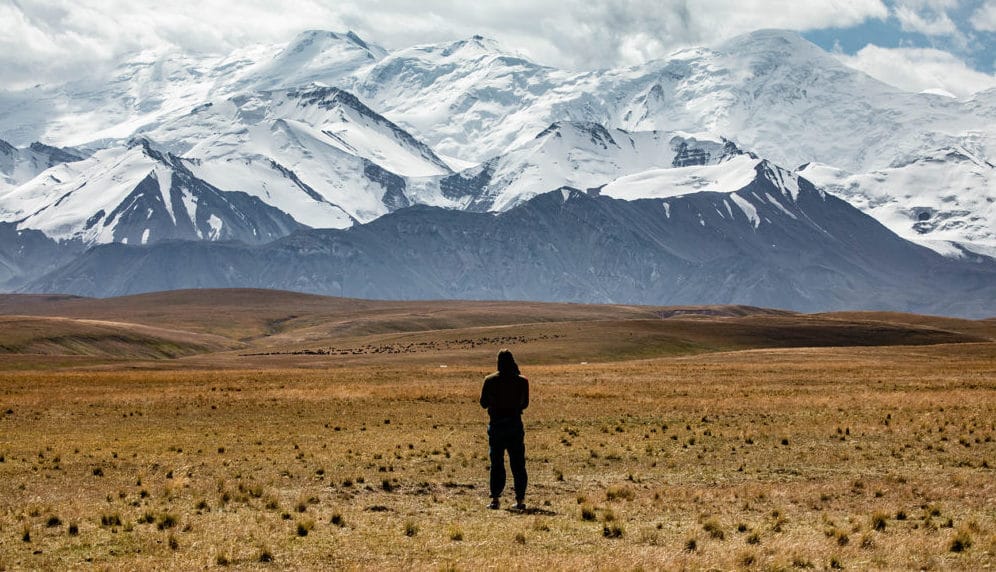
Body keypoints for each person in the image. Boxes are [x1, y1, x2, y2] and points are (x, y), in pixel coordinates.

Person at [480, 348, 529, 510]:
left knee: (497, 463)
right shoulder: (522, 381)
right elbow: (525, 404)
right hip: (515, 425)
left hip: (496, 426)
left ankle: (495, 499)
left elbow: (483, 403)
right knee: (518, 463)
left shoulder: (490, 380)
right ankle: (520, 500)